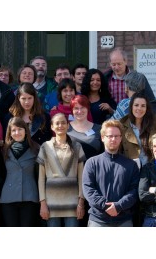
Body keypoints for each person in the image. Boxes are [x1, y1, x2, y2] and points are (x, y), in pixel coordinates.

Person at [82, 120, 140, 227]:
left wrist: (118, 206)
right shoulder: (92, 163)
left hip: (124, 220)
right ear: (103, 138)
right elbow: (88, 189)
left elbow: (134, 191)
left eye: (116, 136)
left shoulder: (131, 165)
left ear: (121, 138)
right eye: (110, 136)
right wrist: (105, 206)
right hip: (98, 220)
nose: (113, 139)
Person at [37, 113, 86, 227]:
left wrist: (81, 202)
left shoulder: (77, 146)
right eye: (57, 123)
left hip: (73, 204)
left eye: (63, 122)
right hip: (51, 204)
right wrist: (43, 203)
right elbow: (41, 178)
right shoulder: (45, 147)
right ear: (52, 127)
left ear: (68, 125)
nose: (60, 125)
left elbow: (82, 177)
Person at [67, 95, 103, 227]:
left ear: (88, 109)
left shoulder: (99, 128)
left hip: (95, 180)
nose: (79, 111)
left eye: (82, 107)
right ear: (72, 110)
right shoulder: (66, 128)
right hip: (72, 181)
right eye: (76, 108)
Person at [0, 117, 40, 227]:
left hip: (30, 197)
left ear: (25, 130)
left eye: (20, 129)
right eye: (13, 130)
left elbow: (40, 175)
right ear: (9, 132)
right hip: (9, 197)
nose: (17, 133)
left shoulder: (36, 148)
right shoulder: (4, 150)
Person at [104, 47, 156, 114]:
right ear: (110, 63)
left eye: (119, 64)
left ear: (126, 61)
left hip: (134, 117)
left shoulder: (138, 78)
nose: (116, 67)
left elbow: (151, 101)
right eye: (114, 64)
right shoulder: (105, 78)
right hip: (113, 118)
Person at [120, 92, 156, 167]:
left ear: (146, 108)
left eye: (143, 106)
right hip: (130, 170)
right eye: (136, 105)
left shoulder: (154, 125)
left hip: (151, 170)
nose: (139, 108)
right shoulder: (122, 126)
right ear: (131, 107)